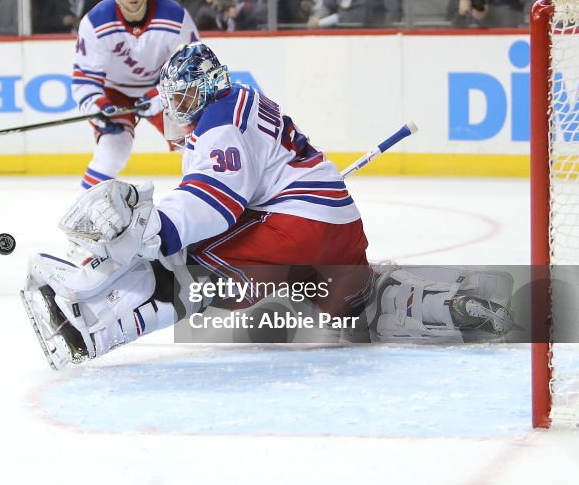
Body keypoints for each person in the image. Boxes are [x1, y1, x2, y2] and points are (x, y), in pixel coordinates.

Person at [22, 42, 372, 368]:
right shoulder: (240, 95)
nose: (179, 106)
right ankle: (359, 299)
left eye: (186, 95)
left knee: (184, 264)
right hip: (343, 227)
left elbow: (215, 202)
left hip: (298, 227)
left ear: (208, 85)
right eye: (176, 97)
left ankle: (99, 332)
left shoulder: (218, 125)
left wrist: (158, 228)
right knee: (351, 307)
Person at [72, 0, 198, 190]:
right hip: (114, 92)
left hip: (163, 87)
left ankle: (201, 203)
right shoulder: (96, 22)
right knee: (113, 148)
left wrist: (161, 96)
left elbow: (192, 68)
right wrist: (98, 105)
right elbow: (85, 79)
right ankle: (84, 212)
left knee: (193, 146)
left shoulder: (175, 17)